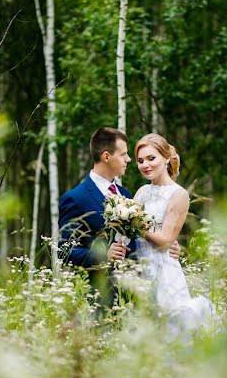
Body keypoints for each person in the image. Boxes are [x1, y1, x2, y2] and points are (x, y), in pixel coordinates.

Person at [58, 128, 179, 310]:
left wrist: (166, 244)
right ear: (107, 157)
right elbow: (64, 251)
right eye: (123, 154)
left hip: (134, 297)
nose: (129, 159)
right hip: (99, 299)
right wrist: (104, 256)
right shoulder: (75, 198)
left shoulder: (126, 194)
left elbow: (138, 236)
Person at [133, 133, 214, 335]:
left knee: (168, 327)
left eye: (151, 158)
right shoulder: (141, 191)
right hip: (137, 266)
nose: (145, 165)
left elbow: (165, 241)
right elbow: (126, 230)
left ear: (167, 158)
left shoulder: (179, 194)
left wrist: (136, 223)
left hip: (162, 268)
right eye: (140, 160)